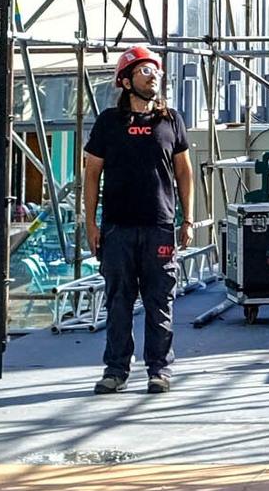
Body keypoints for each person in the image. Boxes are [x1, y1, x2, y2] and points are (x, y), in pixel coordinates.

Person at [83, 42, 195, 397]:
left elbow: (185, 174)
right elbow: (91, 174)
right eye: (145, 70)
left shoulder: (171, 120)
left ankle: (159, 370)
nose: (154, 75)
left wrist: (187, 219)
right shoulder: (108, 122)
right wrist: (91, 223)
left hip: (159, 226)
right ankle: (116, 371)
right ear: (127, 82)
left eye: (156, 70)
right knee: (118, 301)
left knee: (159, 300)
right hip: (117, 228)